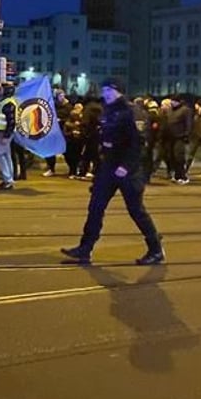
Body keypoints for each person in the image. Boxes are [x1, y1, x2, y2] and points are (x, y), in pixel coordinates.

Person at [60, 77, 165, 266]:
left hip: (127, 170)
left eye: (110, 91)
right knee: (95, 207)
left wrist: (126, 166)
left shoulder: (132, 112)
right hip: (108, 167)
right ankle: (86, 248)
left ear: (119, 92)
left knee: (136, 211)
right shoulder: (108, 110)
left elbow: (139, 143)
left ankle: (155, 248)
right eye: (104, 90)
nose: (106, 94)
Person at [0, 83, 18, 190]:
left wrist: (6, 135)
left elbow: (11, 121)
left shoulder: (8, 103)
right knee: (6, 155)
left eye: (2, 90)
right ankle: (8, 179)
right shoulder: (6, 102)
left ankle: (7, 179)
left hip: (5, 133)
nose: (0, 92)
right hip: (4, 132)